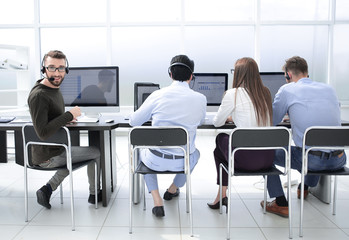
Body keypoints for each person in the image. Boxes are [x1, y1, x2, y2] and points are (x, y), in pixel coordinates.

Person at [262, 56, 347, 218]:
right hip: (339, 159)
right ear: (307, 73)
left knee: (264, 153)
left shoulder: (287, 90)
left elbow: (272, 121)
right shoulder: (329, 89)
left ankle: (280, 203)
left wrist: (290, 114)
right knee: (315, 144)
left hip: (312, 160)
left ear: (288, 75)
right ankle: (305, 187)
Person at [129, 55, 207, 217]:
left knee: (138, 151)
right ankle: (172, 189)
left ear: (170, 74)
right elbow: (200, 121)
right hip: (182, 163)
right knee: (196, 153)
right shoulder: (200, 99)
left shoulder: (158, 95)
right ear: (191, 77)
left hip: (155, 160)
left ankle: (157, 202)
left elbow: (134, 121)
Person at [27, 50, 102, 209]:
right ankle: (94, 194)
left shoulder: (53, 87)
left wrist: (65, 119)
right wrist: (68, 115)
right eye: (52, 67)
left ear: (66, 69)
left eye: (61, 68)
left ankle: (47, 189)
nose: (57, 72)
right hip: (47, 156)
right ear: (43, 69)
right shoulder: (39, 95)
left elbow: (50, 119)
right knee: (95, 152)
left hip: (56, 149)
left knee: (77, 154)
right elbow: (42, 132)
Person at [207, 57, 275, 211]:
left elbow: (217, 122)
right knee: (220, 149)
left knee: (220, 140)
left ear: (238, 74)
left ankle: (222, 195)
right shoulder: (265, 92)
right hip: (267, 159)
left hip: (245, 161)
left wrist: (230, 117)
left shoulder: (233, 94)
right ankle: (220, 196)